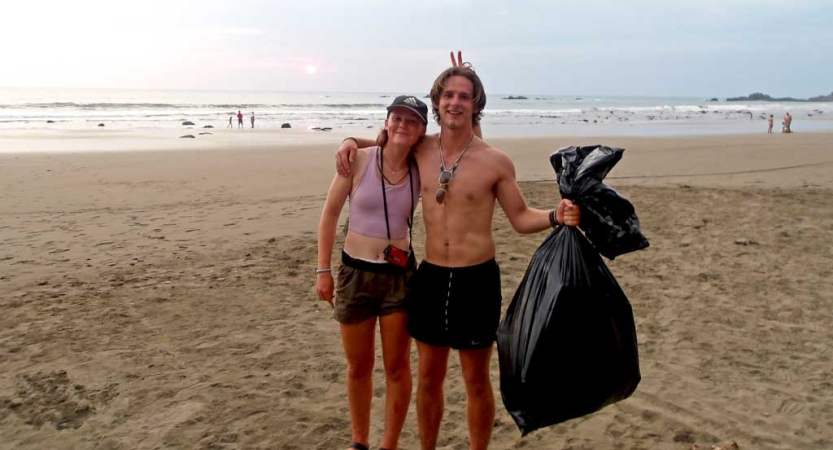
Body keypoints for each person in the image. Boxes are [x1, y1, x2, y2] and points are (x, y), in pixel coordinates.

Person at [335, 52, 581, 450]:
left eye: (464, 96)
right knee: (429, 378)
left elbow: (520, 218)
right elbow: (389, 141)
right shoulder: (422, 148)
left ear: (476, 105)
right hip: (430, 277)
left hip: (477, 279)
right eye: (448, 95)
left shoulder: (495, 161)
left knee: (475, 380)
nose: (455, 102)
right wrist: (350, 139)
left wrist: (557, 214)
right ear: (437, 103)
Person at [317, 95, 429, 450]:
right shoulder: (360, 160)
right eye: (396, 117)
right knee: (359, 367)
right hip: (355, 274)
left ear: (421, 131)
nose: (402, 125)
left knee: (397, 367)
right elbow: (330, 214)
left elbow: (464, 146)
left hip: (399, 278)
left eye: (411, 121)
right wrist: (323, 270)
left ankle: (389, 444)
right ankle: (359, 442)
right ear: (386, 122)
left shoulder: (421, 166)